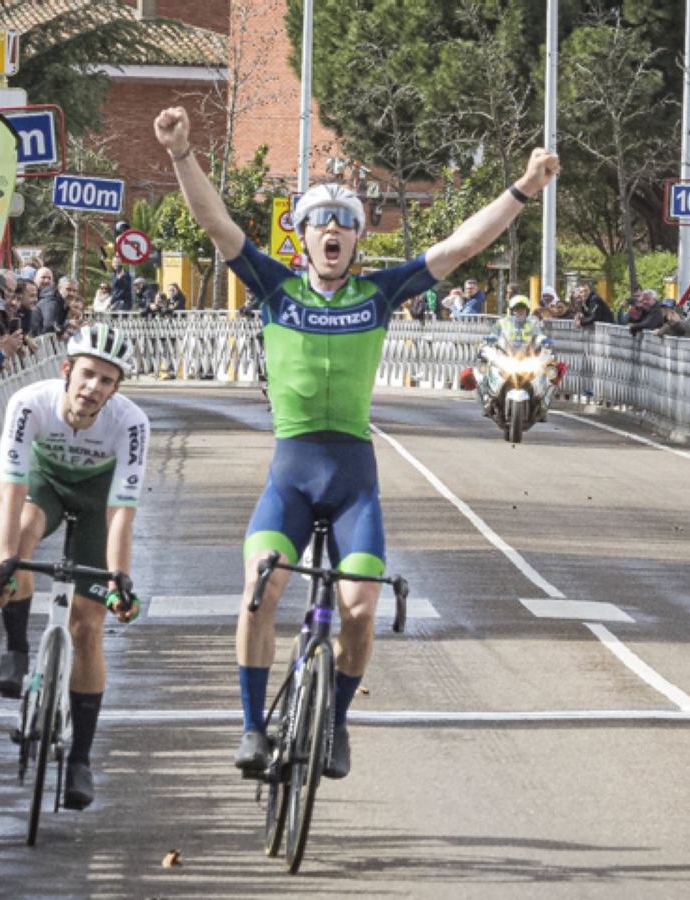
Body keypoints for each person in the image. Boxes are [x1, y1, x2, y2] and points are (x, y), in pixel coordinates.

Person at [155, 104, 559, 779]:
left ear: (357, 238)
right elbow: (214, 222)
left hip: (352, 478)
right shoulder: (275, 287)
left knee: (361, 608)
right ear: (303, 236)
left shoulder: (377, 293)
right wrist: (179, 155)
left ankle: (336, 725)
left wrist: (523, 189)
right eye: (321, 221)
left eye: (346, 221)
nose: (334, 230)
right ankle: (253, 728)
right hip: (291, 472)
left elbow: (460, 247)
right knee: (259, 589)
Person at [0, 325, 149, 812]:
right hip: (46, 484)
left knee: (87, 626)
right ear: (66, 371)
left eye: (106, 380)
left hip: (99, 500)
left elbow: (122, 514)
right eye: (87, 375)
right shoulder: (29, 403)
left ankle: (79, 759)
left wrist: (119, 580)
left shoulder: (132, 423)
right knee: (23, 536)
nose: (93, 388)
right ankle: (17, 648)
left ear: (116, 389)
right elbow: (10, 497)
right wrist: (3, 566)